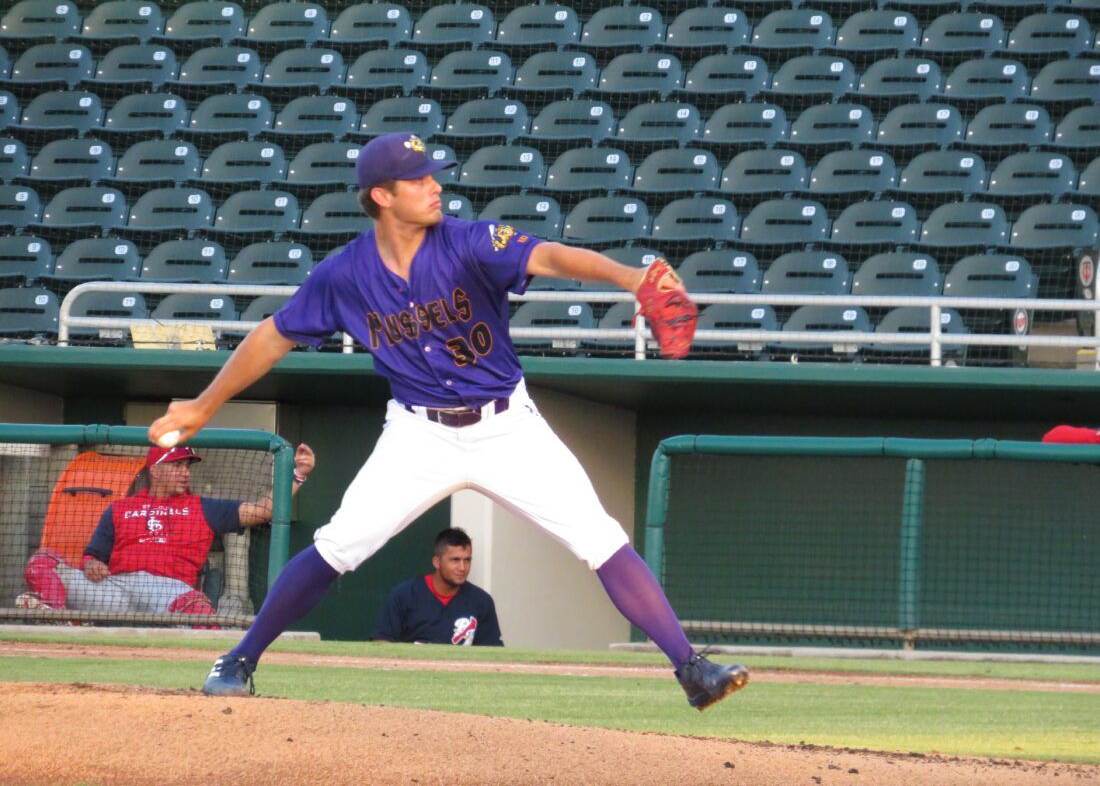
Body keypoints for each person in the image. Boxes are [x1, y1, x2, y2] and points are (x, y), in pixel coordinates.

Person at [150, 131, 748, 709]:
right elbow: (273, 335)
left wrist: (628, 277)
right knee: (339, 545)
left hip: (507, 426)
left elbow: (549, 254)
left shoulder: (470, 240)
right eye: (418, 179)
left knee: (600, 538)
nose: (434, 185)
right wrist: (204, 404)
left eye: (432, 173)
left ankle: (693, 670)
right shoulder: (344, 274)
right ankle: (240, 658)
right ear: (382, 196)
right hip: (419, 433)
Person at [19, 442, 315, 619]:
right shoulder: (120, 508)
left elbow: (264, 511)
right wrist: (92, 564)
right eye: (176, 466)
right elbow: (93, 556)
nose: (185, 472)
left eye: (187, 466)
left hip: (168, 592)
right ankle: (57, 623)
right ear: (155, 470)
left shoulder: (203, 507)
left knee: (198, 609)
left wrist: (298, 475)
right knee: (42, 563)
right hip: (115, 592)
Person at [372, 527, 503, 646]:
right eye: (455, 560)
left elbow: (492, 652)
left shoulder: (481, 601)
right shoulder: (404, 595)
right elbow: (382, 642)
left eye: (467, 560)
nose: (462, 568)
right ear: (436, 562)